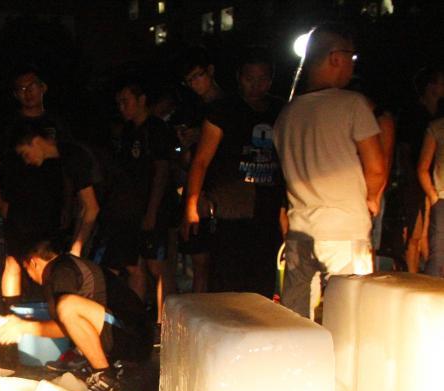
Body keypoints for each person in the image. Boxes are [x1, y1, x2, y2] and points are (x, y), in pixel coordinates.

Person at [273, 22, 385, 320]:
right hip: (344, 228)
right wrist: (372, 199)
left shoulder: (286, 114)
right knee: (350, 317)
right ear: (335, 57)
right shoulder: (352, 105)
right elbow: (376, 168)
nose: (352, 64)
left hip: (300, 230)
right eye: (351, 57)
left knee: (296, 319)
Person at [183, 47, 285, 297]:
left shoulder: (281, 111)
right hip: (230, 213)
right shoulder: (223, 110)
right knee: (226, 288)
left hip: (267, 212)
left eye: (262, 79)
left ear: (270, 80)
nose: (256, 85)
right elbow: (201, 161)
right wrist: (191, 206)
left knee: (261, 287)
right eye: (250, 78)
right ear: (239, 77)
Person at [0, 240, 150, 391]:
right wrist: (22, 326)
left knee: (67, 305)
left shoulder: (62, 271)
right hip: (122, 334)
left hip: (131, 337)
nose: (29, 277)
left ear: (33, 262)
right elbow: (67, 326)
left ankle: (104, 375)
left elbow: (67, 321)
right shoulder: (62, 268)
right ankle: (91, 360)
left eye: (26, 269)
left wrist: (22, 327)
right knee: (66, 307)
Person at [0, 66, 69, 302]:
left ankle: (52, 310)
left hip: (51, 203)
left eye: (31, 87)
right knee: (14, 260)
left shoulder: (56, 123)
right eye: (21, 89)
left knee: (50, 259)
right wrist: (0, 202)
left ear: (43, 88)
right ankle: (10, 312)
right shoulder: (9, 125)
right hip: (19, 205)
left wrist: (67, 204)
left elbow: (70, 165)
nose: (27, 93)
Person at [111, 76, 176, 321]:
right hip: (131, 209)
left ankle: (165, 320)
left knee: (157, 265)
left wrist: (152, 211)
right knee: (134, 264)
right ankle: (136, 318)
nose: (122, 107)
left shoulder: (156, 129)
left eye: (126, 101)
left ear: (141, 100)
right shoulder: (128, 131)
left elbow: (161, 171)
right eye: (119, 102)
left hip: (154, 207)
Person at [12, 122, 102, 257]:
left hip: (119, 208)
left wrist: (77, 247)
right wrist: (75, 243)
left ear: (36, 141)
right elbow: (84, 207)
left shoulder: (73, 155)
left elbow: (92, 208)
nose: (26, 161)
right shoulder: (66, 154)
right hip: (111, 210)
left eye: (25, 154)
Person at [177, 47, 225, 293]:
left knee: (214, 262)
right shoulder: (193, 109)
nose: (195, 84)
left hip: (223, 191)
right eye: (190, 80)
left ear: (210, 72)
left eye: (198, 76)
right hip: (198, 190)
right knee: (199, 262)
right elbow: (190, 161)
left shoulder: (227, 107)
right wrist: (186, 144)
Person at [396, 65, 444, 272]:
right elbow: (404, 149)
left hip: (433, 180)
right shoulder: (414, 114)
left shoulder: (436, 116)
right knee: (416, 233)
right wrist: (411, 177)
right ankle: (413, 277)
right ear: (430, 86)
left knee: (428, 234)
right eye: (441, 82)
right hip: (417, 181)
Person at [416, 116, 444, 277]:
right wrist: (433, 196)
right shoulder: (437, 127)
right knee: (438, 258)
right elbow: (422, 168)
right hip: (442, 199)